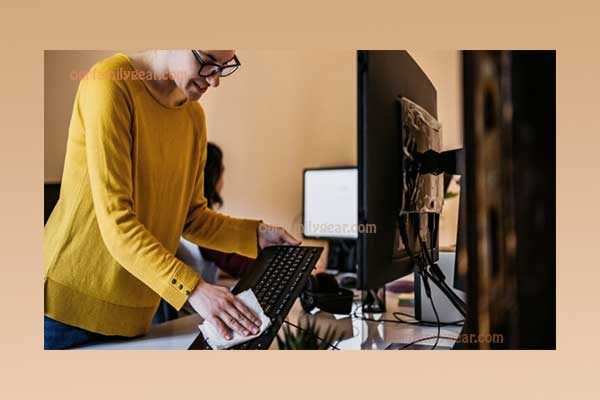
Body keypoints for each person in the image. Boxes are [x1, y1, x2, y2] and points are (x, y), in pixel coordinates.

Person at [44, 50, 300, 349]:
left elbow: (191, 217)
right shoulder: (111, 84)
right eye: (206, 62)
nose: (215, 80)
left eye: (224, 66)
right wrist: (194, 289)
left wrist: (256, 234)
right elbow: (116, 221)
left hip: (135, 317)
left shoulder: (193, 117)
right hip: (65, 310)